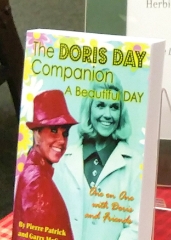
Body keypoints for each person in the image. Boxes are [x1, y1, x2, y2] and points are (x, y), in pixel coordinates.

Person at [55, 77, 140, 240]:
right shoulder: (63, 159)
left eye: (114, 107)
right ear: (89, 109)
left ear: (121, 113)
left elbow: (135, 227)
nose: (107, 115)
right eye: (101, 105)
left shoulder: (135, 163)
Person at [13, 90, 78, 240]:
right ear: (37, 133)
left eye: (65, 133)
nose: (62, 140)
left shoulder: (36, 170)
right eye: (54, 130)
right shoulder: (37, 184)